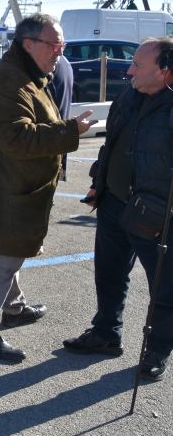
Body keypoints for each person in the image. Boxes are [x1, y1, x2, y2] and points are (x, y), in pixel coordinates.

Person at [0, 13, 96, 362]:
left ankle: (13, 307)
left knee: (10, 253)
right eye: (54, 44)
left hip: (13, 187)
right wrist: (70, 132)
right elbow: (16, 138)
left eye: (62, 44)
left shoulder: (27, 74)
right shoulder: (12, 81)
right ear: (29, 44)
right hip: (6, 189)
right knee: (1, 258)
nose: (60, 51)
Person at [63, 38, 173, 382]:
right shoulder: (129, 94)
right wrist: (99, 181)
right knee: (109, 272)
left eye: (138, 66)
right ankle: (106, 333)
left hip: (156, 213)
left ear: (165, 70)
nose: (129, 71)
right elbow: (112, 142)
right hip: (113, 201)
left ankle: (156, 349)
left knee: (165, 287)